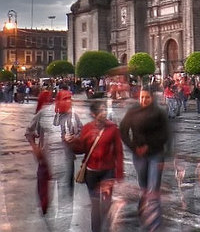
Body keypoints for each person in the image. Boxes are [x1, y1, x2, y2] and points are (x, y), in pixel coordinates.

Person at [25, 89, 82, 230]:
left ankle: (64, 228)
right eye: (65, 99)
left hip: (66, 161)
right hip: (46, 161)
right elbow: (29, 132)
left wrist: (75, 139)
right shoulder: (44, 114)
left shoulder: (74, 116)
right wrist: (35, 148)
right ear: (57, 101)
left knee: (65, 199)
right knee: (44, 199)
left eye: (70, 99)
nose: (69, 102)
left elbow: (82, 135)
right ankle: (48, 223)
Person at [120, 87, 171, 232]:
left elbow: (165, 134)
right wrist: (133, 147)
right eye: (141, 97)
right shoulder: (133, 112)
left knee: (153, 188)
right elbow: (123, 130)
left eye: (147, 97)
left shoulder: (159, 113)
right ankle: (143, 205)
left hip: (156, 154)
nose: (143, 100)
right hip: (139, 156)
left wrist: (150, 146)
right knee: (143, 186)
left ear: (152, 98)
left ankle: (154, 224)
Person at [68, 100, 124, 232]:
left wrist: (119, 173)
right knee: (95, 205)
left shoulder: (113, 128)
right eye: (101, 110)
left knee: (105, 205)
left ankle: (108, 226)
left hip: (107, 172)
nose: (104, 113)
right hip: (91, 172)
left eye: (105, 110)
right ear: (94, 114)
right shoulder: (87, 128)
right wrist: (72, 143)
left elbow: (119, 152)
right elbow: (82, 149)